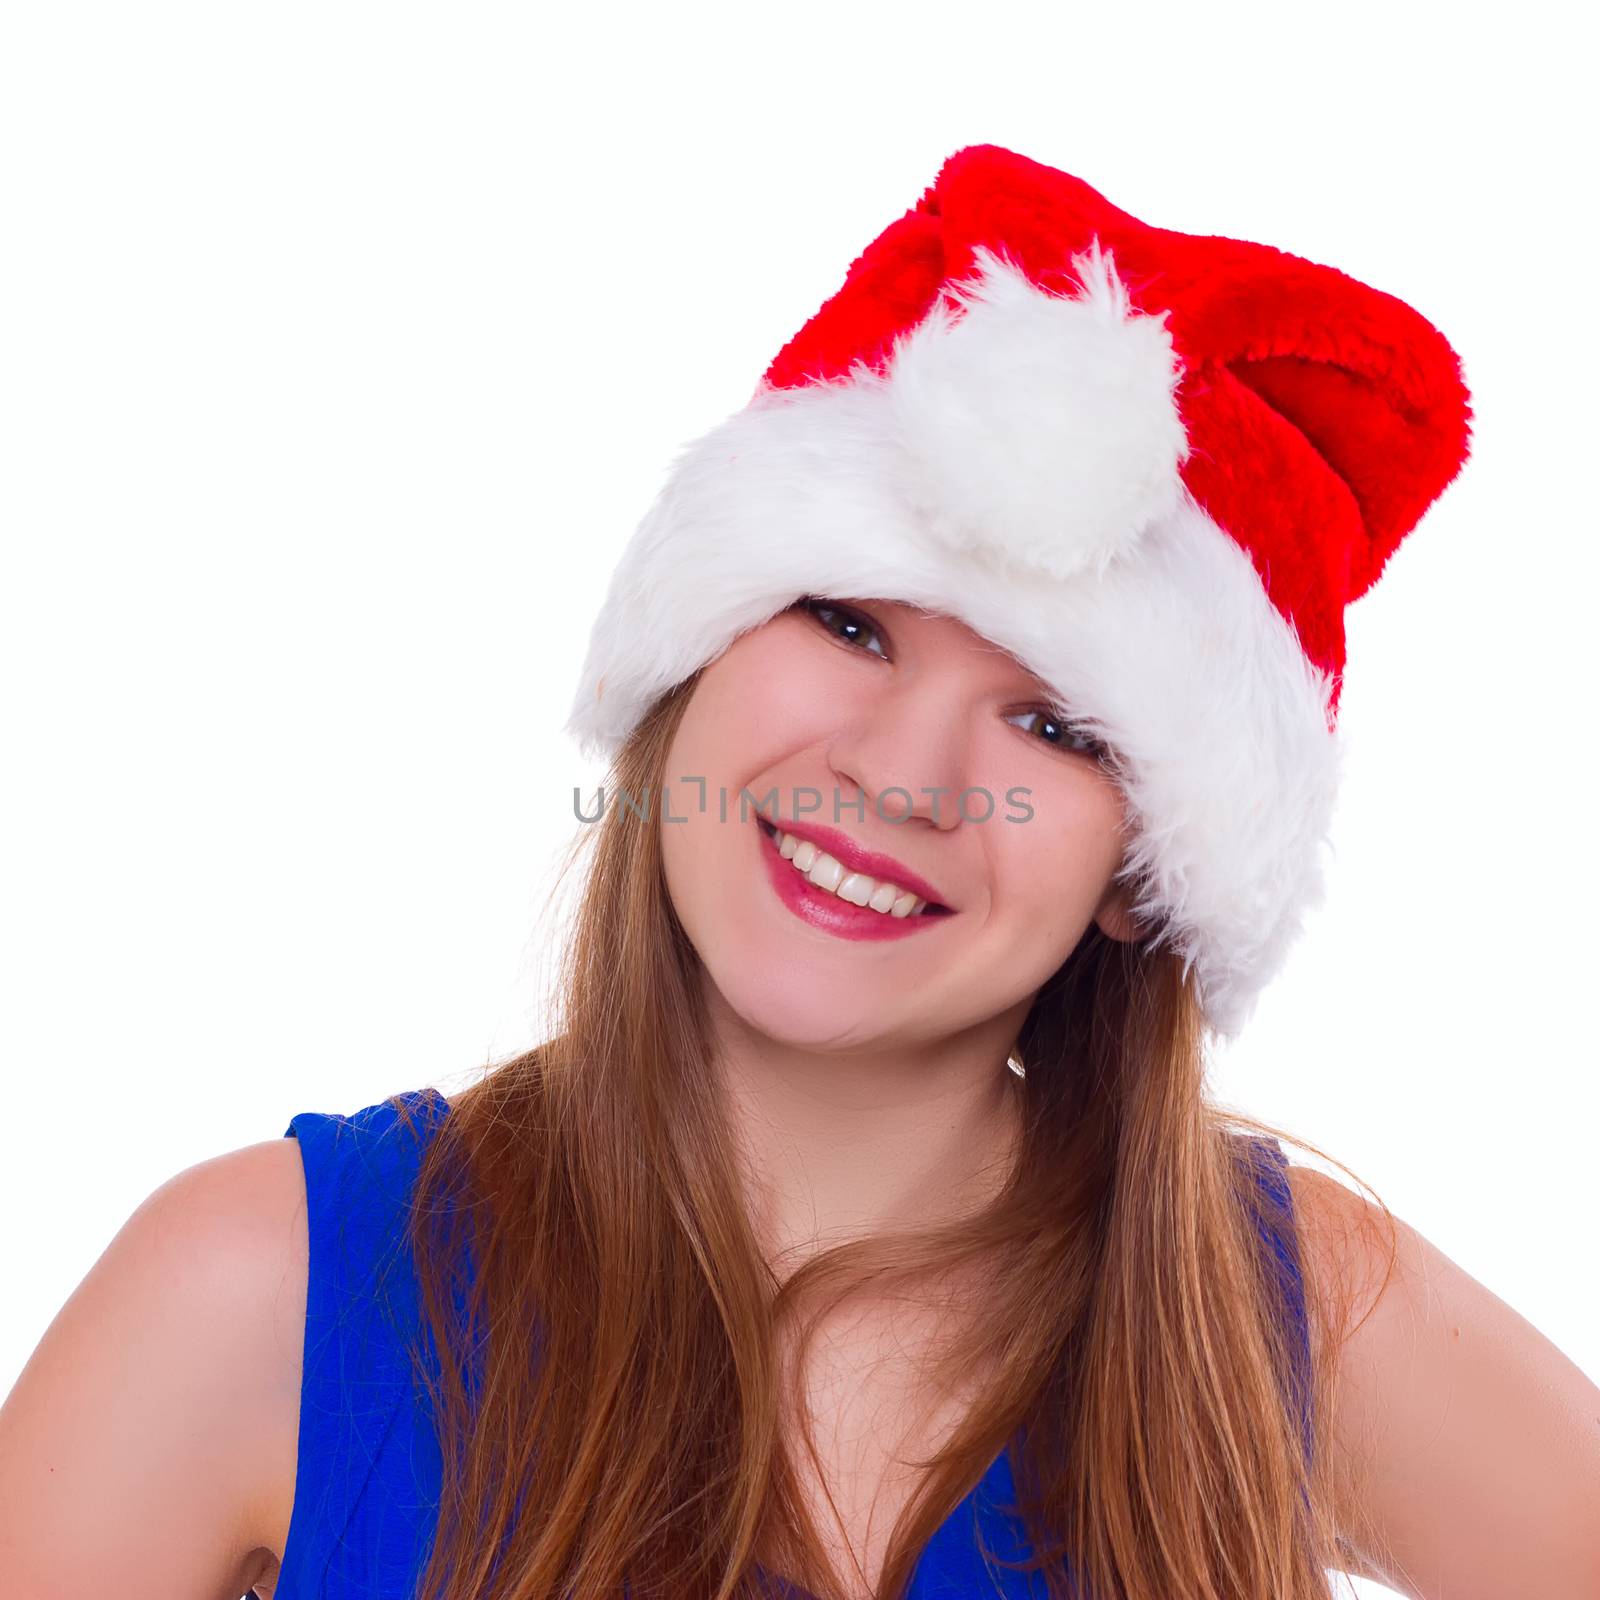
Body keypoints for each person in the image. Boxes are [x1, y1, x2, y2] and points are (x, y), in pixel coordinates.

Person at [2, 143, 1596, 1600]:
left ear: (1143, 871)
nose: (901, 775)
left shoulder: (1282, 1313)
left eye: (1052, 724)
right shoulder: (258, 1294)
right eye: (847, 622)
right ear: (695, 653)